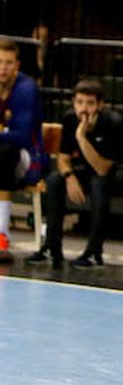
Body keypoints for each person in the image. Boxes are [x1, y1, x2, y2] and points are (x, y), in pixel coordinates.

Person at [28, 78, 123, 269]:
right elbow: (63, 159)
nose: (84, 108)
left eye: (90, 103)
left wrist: (81, 138)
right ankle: (51, 247)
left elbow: (103, 168)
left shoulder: (112, 122)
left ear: (100, 105)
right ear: (73, 103)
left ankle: (94, 252)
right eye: (79, 102)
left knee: (98, 183)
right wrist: (69, 177)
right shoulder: (70, 118)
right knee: (55, 180)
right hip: (92, 171)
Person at [0, 38, 42, 264]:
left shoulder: (26, 89)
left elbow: (23, 136)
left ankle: (1, 236)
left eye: (8, 62)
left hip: (26, 160)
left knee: (4, 153)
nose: (2, 67)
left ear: (17, 65)